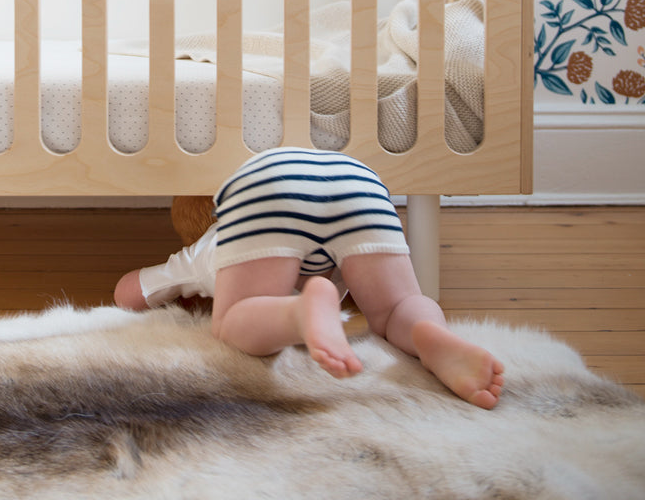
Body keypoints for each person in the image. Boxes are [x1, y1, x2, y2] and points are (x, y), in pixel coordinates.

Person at [114, 146, 504, 409]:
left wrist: (161, 291)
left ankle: (298, 313)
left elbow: (130, 293)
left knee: (235, 320)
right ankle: (430, 334)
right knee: (396, 308)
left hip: (271, 185)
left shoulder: (203, 252)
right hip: (357, 179)